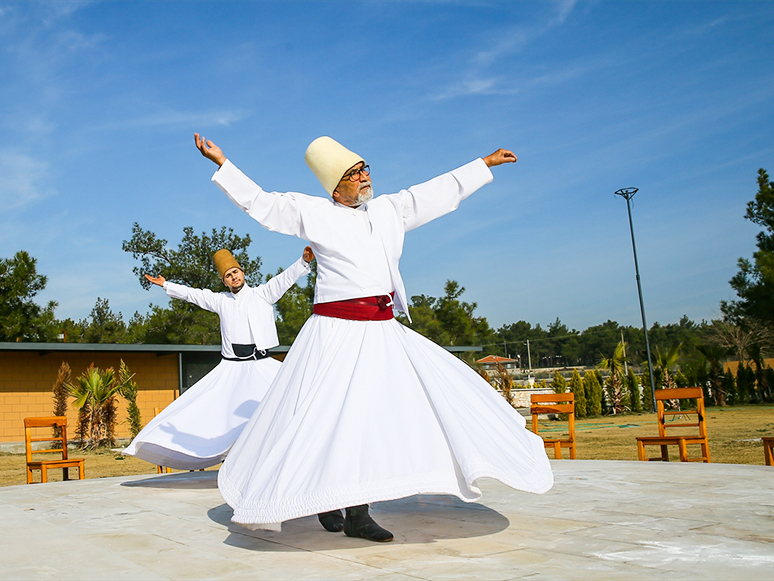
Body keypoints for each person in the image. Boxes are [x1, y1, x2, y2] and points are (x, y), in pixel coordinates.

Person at [194, 133, 554, 542]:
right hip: (335, 333)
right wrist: (222, 164)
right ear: (336, 185)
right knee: (337, 418)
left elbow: (431, 194)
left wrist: (482, 165)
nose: (365, 176)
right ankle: (353, 512)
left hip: (381, 331)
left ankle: (343, 501)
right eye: (355, 173)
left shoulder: (387, 210)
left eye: (365, 168)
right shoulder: (313, 212)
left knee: (388, 411)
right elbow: (261, 203)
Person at [122, 246, 313, 470]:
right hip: (232, 370)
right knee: (219, 415)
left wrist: (303, 261)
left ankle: (287, 461)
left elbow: (284, 279)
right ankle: (236, 465)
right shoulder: (221, 301)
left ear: (243, 273)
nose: (234, 277)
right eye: (228, 276)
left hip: (261, 366)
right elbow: (194, 294)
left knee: (294, 399)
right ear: (225, 282)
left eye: (236, 272)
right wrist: (166, 284)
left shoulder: (263, 294)